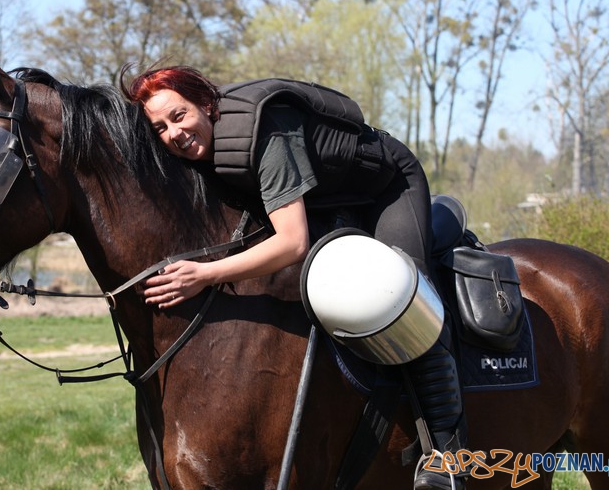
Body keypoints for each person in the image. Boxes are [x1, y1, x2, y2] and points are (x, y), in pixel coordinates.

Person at [122, 66, 467, 490]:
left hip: (387, 187)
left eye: (179, 115)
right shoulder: (204, 148)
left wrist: (205, 274)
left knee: (404, 303)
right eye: (160, 128)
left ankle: (448, 455)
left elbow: (292, 243)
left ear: (206, 105)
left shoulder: (266, 133)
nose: (174, 133)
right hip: (325, 195)